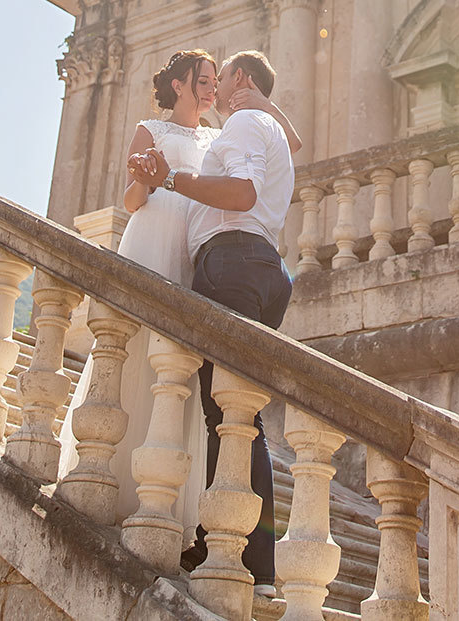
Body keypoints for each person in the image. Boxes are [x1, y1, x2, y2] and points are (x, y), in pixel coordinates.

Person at [59, 50, 302, 553]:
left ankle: (180, 500)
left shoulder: (226, 132)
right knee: (141, 354)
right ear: (178, 84)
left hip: (197, 252)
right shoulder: (151, 129)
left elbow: (290, 142)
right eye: (204, 80)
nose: (212, 89)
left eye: (217, 79)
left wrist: (261, 101)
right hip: (155, 238)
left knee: (189, 375)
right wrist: (148, 180)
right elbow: (129, 200)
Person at [128, 49, 294, 598]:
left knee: (223, 411)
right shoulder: (255, 124)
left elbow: (242, 193)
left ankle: (233, 550)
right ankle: (250, 558)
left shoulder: (243, 121)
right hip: (265, 268)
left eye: (219, 78)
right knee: (242, 414)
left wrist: (173, 179)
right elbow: (290, 146)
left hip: (232, 262)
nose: (214, 89)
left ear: (239, 80)